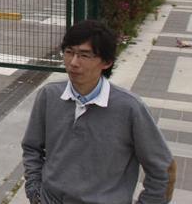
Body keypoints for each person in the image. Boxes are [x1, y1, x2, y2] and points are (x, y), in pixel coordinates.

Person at [21, 20, 176, 203]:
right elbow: (32, 148)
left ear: (106, 62)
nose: (73, 63)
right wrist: (34, 191)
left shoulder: (130, 108)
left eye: (84, 56)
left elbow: (163, 169)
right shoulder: (49, 95)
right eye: (69, 52)